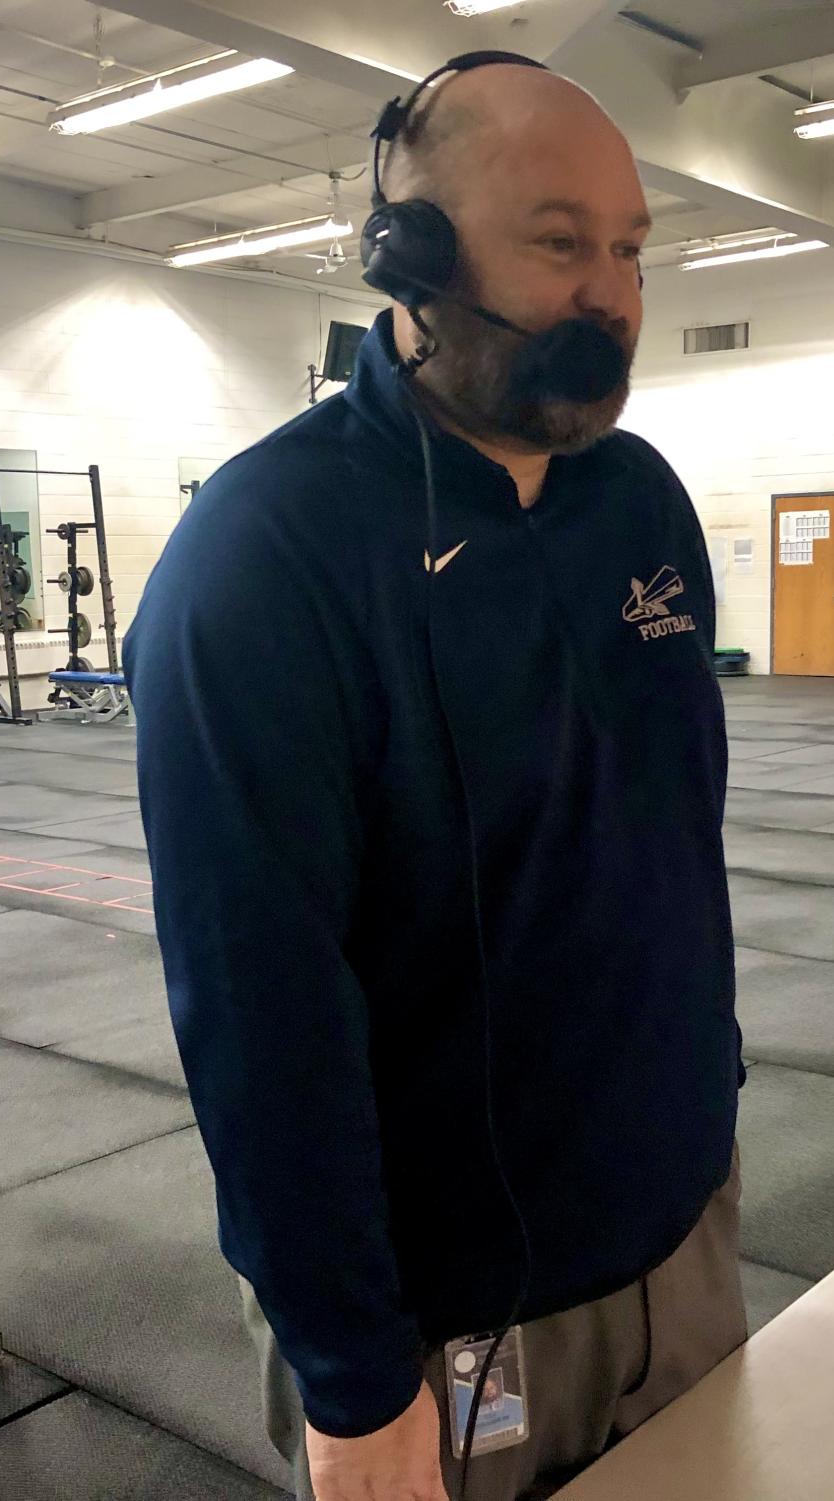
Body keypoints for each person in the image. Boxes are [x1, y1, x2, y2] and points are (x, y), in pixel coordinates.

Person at [127, 51, 744, 1501]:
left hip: (683, 1232)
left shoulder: (637, 499)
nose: (608, 291)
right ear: (409, 257)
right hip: (450, 1323)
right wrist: (353, 1374)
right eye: (555, 241)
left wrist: (704, 1126)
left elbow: (671, 848)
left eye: (629, 250)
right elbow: (258, 1002)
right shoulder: (263, 554)